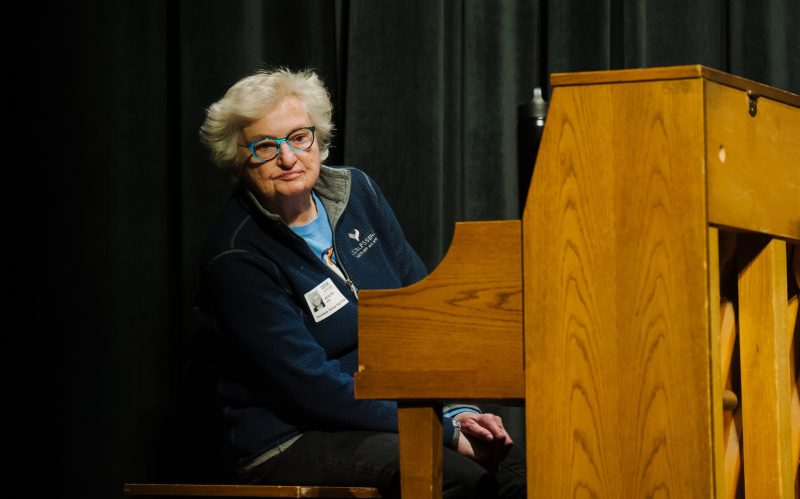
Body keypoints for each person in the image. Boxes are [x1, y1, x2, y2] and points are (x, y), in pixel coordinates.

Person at [195, 67, 526, 498]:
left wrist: (460, 411)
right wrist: (444, 432)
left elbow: (420, 309)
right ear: (239, 160)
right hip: (296, 436)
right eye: (264, 147)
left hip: (400, 413)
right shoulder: (236, 256)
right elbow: (311, 386)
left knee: (523, 472)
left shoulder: (358, 193)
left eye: (298, 137)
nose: (289, 158)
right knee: (455, 478)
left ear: (318, 138)